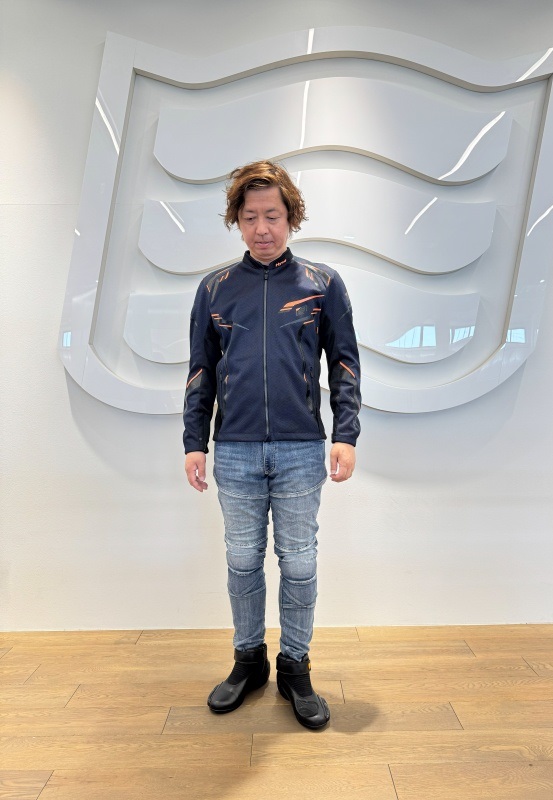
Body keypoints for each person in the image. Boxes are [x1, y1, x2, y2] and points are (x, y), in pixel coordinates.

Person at [183, 160, 360, 730]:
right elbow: (200, 370)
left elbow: (345, 363)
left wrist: (346, 434)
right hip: (234, 449)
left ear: (291, 217)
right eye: (251, 216)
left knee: (299, 562)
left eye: (274, 216)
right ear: (237, 220)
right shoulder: (215, 289)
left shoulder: (321, 283)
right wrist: (194, 441)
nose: (263, 228)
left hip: (301, 449)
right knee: (241, 560)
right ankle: (249, 661)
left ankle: (295, 667)